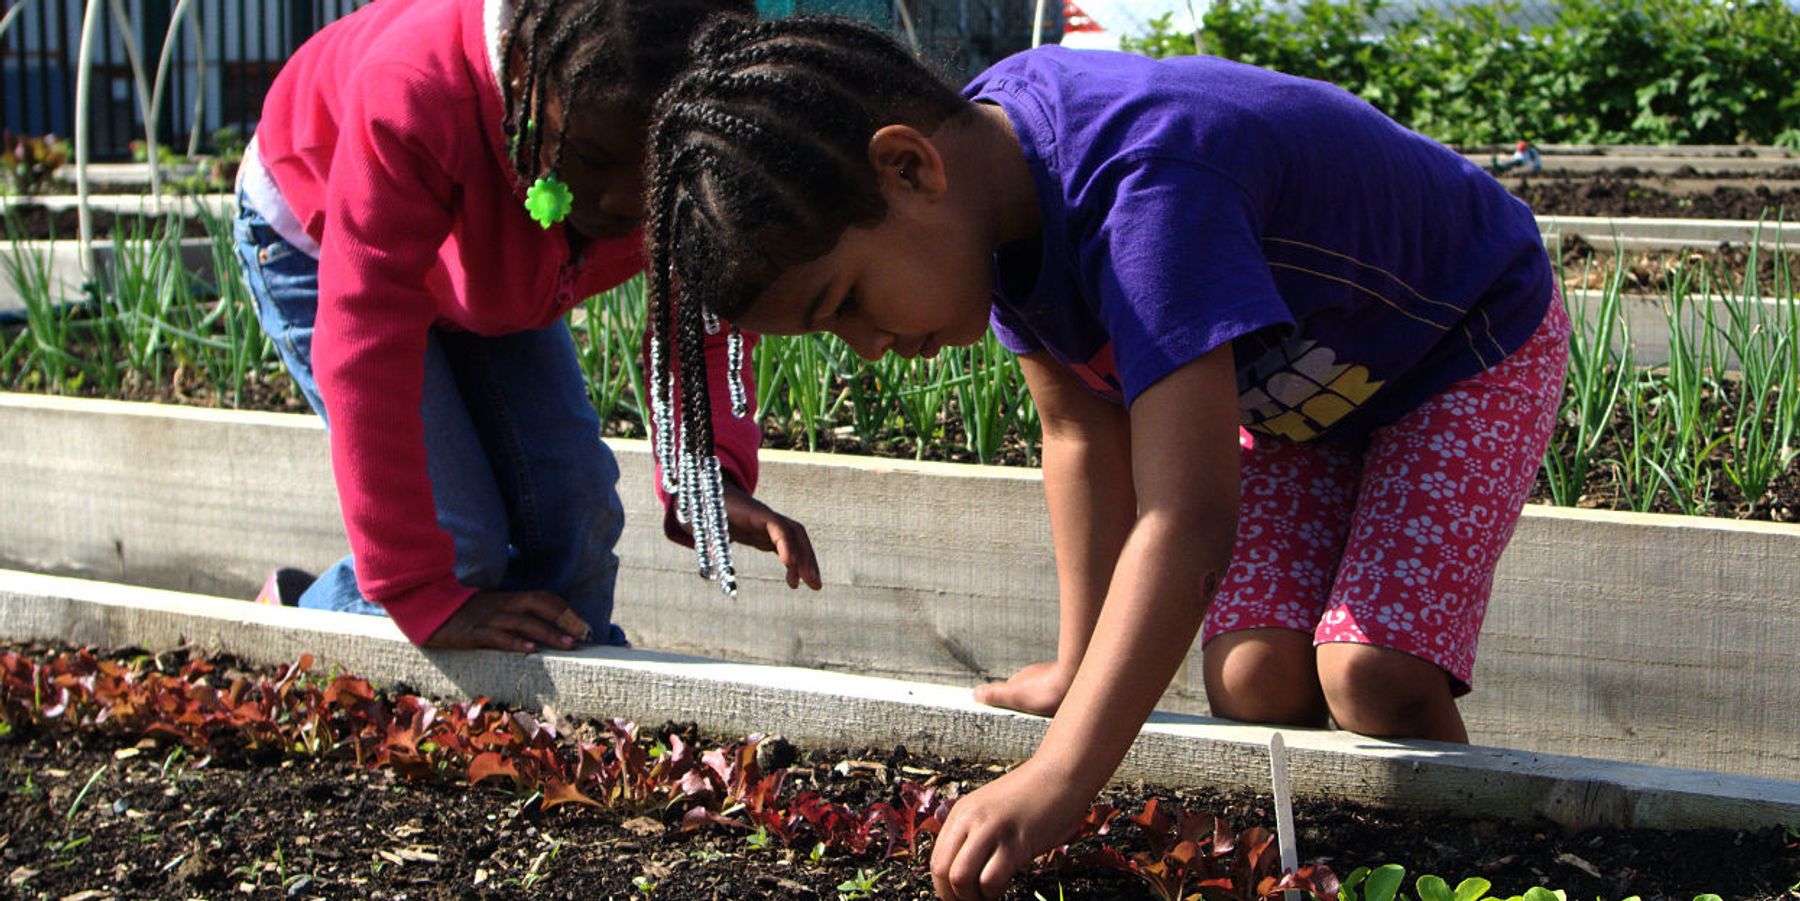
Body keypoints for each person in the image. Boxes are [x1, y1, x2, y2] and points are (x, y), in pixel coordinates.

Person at [641, 16, 1570, 900]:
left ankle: (1483, 861)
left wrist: (1058, 778)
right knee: (1254, 680)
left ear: (908, 167)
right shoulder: (987, 196)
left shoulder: (1146, 192)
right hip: (1307, 391)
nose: (867, 345)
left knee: (1375, 675)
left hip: (1465, 339)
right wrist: (1075, 666)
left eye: (844, 301)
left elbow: (1187, 520)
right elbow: (1081, 432)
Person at [235, 0, 821, 655]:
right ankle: (290, 622)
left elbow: (699, 322)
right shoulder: (415, 93)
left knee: (576, 516)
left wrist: (705, 473)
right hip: (320, 232)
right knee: (458, 546)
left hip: (490, 264)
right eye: (596, 157)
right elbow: (367, 345)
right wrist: (421, 594)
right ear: (524, 79)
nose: (623, 203)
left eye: (656, 176)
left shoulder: (676, 146)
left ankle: (555, 700)